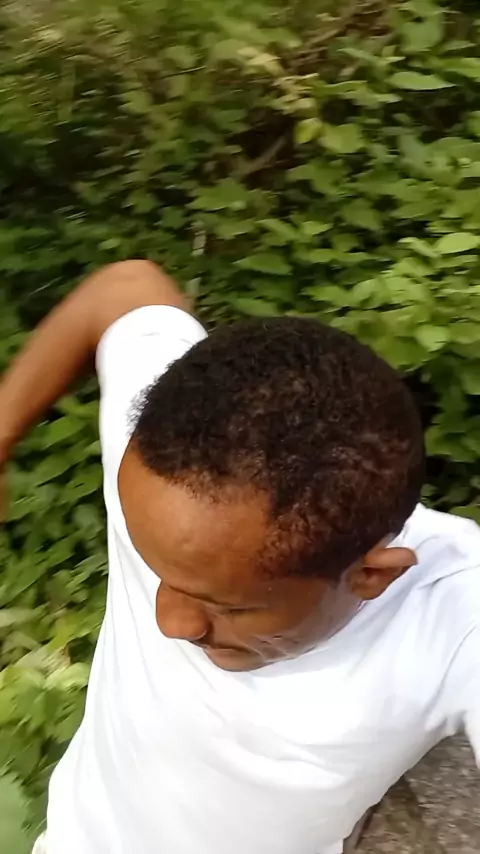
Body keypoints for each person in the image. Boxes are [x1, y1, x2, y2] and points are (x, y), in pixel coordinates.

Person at [0, 260, 478, 854]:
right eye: (152, 568)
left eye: (227, 607)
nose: (170, 623)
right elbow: (125, 288)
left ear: (370, 575)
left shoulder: (456, 613)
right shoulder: (176, 461)